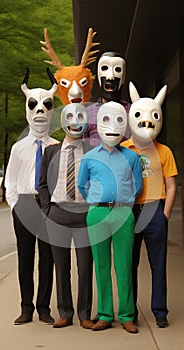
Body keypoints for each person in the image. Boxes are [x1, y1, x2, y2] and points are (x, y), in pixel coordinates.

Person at [78, 101, 142, 333]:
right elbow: (82, 185)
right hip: (97, 213)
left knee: (125, 266)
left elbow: (137, 185)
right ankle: (105, 314)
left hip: (123, 213)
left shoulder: (132, 157)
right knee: (101, 266)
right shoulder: (89, 157)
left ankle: (127, 315)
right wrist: (97, 204)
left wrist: (123, 204)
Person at [121, 82, 178, 328]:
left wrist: (164, 214)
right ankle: (129, 312)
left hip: (155, 210)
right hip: (131, 212)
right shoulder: (123, 149)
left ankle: (160, 311)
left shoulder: (164, 151)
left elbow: (172, 184)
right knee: (129, 264)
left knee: (158, 265)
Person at [5, 68, 58, 325]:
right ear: (27, 107)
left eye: (46, 105)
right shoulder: (18, 148)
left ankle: (44, 307)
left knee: (47, 258)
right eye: (34, 105)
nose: (39, 111)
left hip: (48, 205)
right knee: (25, 257)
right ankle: (26, 307)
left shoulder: (57, 146)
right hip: (25, 203)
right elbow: (10, 181)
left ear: (51, 109)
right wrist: (16, 205)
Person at [39, 103, 94, 329]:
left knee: (85, 266)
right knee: (61, 266)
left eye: (79, 117)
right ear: (63, 122)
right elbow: (42, 184)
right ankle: (65, 312)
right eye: (70, 118)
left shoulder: (91, 151)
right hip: (58, 214)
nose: (74, 122)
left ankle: (84, 314)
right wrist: (47, 211)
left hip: (84, 215)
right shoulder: (51, 151)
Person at [83, 51, 131, 146]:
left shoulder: (132, 111)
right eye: (105, 68)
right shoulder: (88, 113)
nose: (111, 77)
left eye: (117, 69)